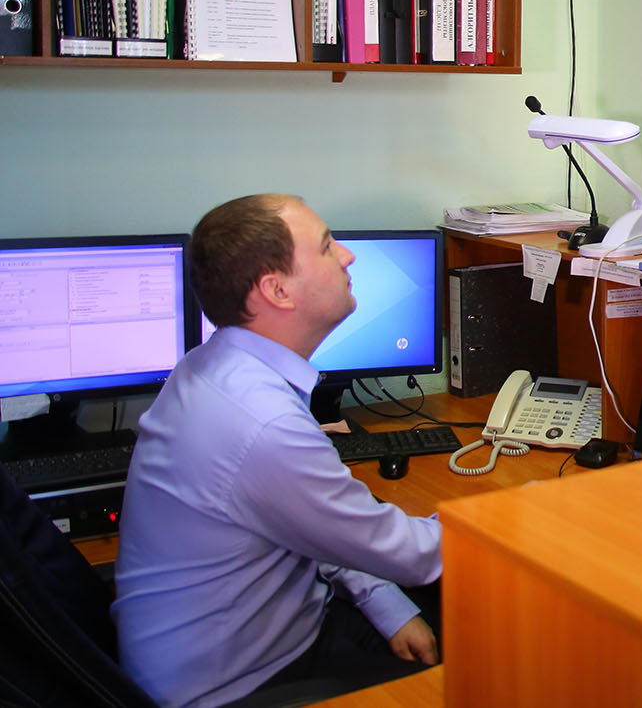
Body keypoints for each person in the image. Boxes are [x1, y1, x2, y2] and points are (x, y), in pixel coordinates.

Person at [111, 194, 442, 708]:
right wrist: (522, 513)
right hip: (236, 689)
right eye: (327, 247)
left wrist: (385, 603)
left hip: (272, 636)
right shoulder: (262, 423)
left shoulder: (211, 365)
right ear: (277, 290)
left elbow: (313, 526)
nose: (348, 255)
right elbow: (413, 555)